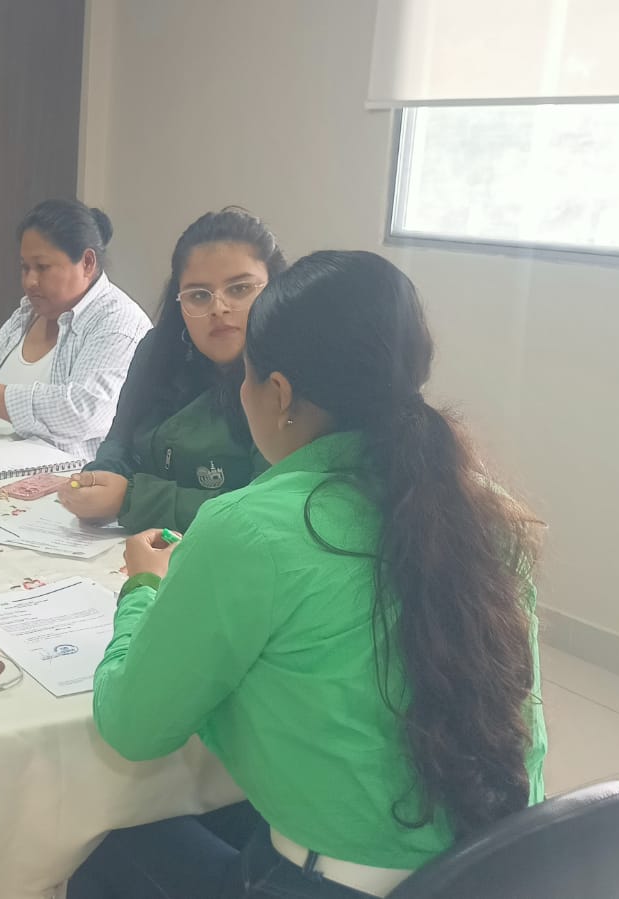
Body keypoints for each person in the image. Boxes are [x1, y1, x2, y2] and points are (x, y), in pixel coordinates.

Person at [70, 251, 547, 899]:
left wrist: (142, 589)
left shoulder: (250, 528)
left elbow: (132, 727)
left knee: (107, 852)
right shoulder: (486, 511)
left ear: (279, 392)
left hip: (335, 883)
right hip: (503, 869)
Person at [60, 208, 286, 532]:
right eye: (198, 295)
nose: (218, 308)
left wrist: (130, 500)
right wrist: (101, 479)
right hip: (134, 541)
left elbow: (265, 510)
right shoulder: (158, 350)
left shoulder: (288, 379)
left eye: (239, 289)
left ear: (275, 289)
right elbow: (119, 440)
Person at [0, 199, 151, 457]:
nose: (30, 281)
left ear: (87, 263)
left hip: (65, 474)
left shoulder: (118, 322)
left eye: (43, 268)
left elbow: (83, 413)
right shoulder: (29, 311)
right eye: (25, 268)